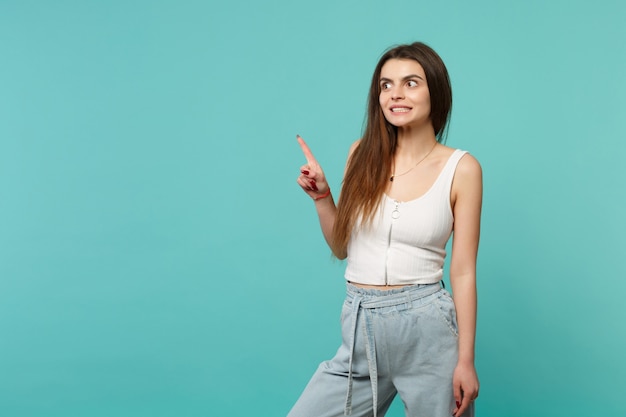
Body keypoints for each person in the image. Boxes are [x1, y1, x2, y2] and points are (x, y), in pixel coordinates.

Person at [290, 42, 481, 417]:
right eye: (385, 85)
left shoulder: (462, 168)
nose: (395, 94)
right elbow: (343, 246)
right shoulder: (360, 154)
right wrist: (323, 198)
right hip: (362, 323)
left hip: (427, 328)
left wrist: (466, 361)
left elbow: (463, 271)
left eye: (411, 83)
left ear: (435, 91)